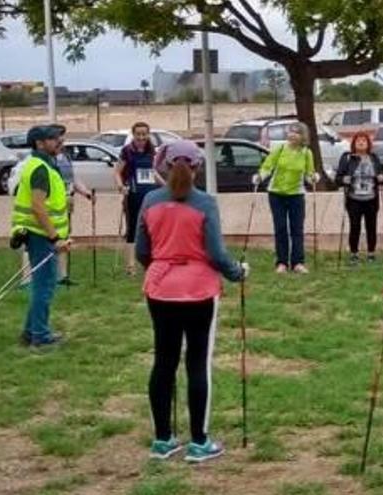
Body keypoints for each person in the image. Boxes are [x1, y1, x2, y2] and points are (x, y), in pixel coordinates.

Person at [135, 140, 248, 463]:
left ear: (165, 166)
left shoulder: (150, 200)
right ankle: (199, 441)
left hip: (160, 288)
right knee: (197, 364)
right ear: (197, 167)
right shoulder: (205, 203)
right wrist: (238, 273)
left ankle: (162, 439)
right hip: (198, 290)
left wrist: (159, 267)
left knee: (164, 361)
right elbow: (216, 253)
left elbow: (142, 249)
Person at [10, 125, 72, 349]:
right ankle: (40, 337)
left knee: (42, 285)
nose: (59, 142)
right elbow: (37, 206)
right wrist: (55, 238)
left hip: (40, 234)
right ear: (39, 143)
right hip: (41, 236)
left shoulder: (44, 164)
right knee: (44, 287)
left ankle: (30, 332)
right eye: (54, 139)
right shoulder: (40, 168)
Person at [256, 122, 318, 274]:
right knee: (281, 228)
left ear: (303, 136)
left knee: (297, 229)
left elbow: (309, 173)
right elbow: (267, 166)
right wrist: (260, 176)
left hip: (296, 195)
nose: (292, 135)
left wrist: (314, 177)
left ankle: (298, 262)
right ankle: (282, 262)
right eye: (290, 132)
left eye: (296, 133)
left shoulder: (306, 153)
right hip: (276, 194)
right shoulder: (280, 149)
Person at [115, 122, 162, 277]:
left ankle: (150, 263)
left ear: (148, 134)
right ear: (133, 135)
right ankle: (130, 266)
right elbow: (117, 172)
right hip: (133, 195)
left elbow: (153, 172)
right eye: (138, 134)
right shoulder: (127, 151)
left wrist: (166, 186)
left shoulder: (152, 151)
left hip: (150, 195)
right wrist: (121, 186)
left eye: (144, 134)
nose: (141, 137)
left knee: (151, 229)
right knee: (133, 229)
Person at [335, 131, 383, 264]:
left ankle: (371, 253)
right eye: (358, 141)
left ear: (368, 144)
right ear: (354, 144)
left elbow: (381, 175)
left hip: (371, 198)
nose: (361, 142)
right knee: (355, 226)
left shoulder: (373, 158)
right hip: (354, 198)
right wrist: (344, 179)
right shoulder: (347, 157)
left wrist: (381, 178)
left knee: (371, 226)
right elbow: (338, 178)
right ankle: (354, 253)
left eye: (364, 140)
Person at [52, 124, 93, 286]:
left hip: (68, 200)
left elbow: (72, 178)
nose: (62, 139)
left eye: (63, 135)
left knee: (65, 236)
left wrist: (86, 193)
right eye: (58, 136)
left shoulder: (66, 155)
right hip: (53, 202)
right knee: (52, 236)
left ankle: (63, 276)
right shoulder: (49, 157)